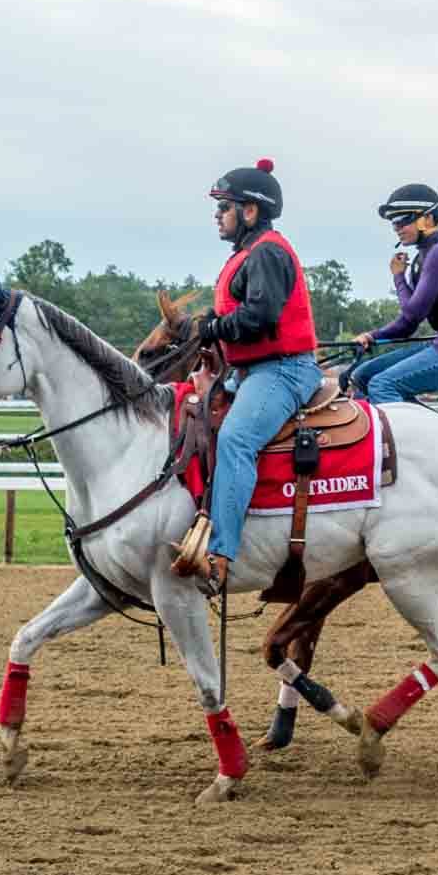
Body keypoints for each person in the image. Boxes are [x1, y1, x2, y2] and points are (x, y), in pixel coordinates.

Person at [176, 157, 322, 589]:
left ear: (250, 211)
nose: (217, 216)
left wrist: (211, 328)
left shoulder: (268, 253)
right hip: (250, 370)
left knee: (237, 439)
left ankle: (220, 554)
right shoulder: (246, 254)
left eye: (224, 207)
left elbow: (259, 316)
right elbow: (232, 313)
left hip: (282, 372)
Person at [348, 183, 438, 404]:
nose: (396, 228)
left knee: (382, 384)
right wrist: (372, 336)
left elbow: (411, 316)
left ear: (426, 219)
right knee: (363, 376)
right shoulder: (423, 257)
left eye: (402, 220)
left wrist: (398, 278)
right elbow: (408, 322)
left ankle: (405, 439)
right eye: (393, 223)